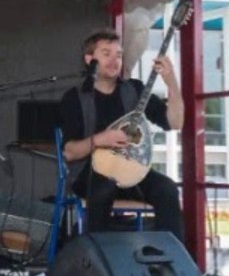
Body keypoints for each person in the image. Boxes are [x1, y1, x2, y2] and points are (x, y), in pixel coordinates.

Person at [57, 28, 185, 242]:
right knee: (103, 188)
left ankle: (169, 261)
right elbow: (69, 152)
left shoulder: (134, 90)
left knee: (167, 189)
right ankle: (102, 262)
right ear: (90, 59)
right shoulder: (75, 98)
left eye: (118, 55)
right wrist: (100, 140)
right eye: (106, 54)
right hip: (91, 174)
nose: (114, 60)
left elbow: (175, 122)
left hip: (132, 171)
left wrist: (171, 81)